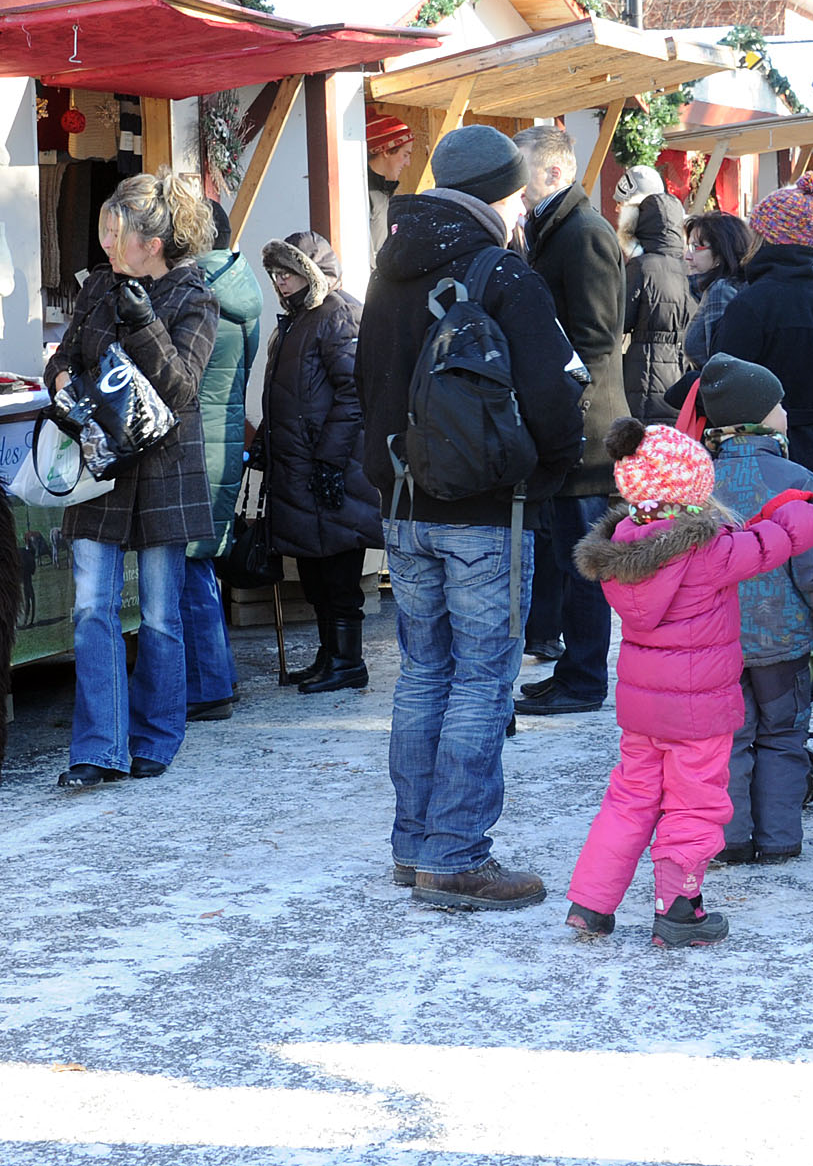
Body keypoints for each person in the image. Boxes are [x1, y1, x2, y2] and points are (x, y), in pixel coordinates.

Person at [358, 124, 586, 909]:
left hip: (402, 504)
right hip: (486, 511)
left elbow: (367, 386)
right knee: (484, 677)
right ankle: (454, 854)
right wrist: (548, 474)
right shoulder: (503, 272)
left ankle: (414, 844)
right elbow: (556, 395)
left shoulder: (387, 272)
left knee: (423, 670)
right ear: (502, 189)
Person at [564, 419, 813, 946]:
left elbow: (745, 532)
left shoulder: (625, 543)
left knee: (629, 799)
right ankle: (680, 910)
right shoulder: (707, 553)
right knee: (693, 805)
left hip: (643, 712)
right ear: (690, 490)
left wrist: (777, 511)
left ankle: (591, 904)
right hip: (698, 712)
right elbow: (773, 542)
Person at [44, 174, 220, 787]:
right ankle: (98, 748)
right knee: (92, 611)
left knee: (160, 615)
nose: (110, 242)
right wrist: (61, 381)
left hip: (163, 474)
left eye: (119, 233)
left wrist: (143, 322)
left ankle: (156, 737)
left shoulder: (195, 297)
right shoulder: (98, 284)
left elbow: (181, 390)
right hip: (100, 470)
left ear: (154, 241)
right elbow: (63, 355)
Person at [692, 355, 813, 865]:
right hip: (783, 643)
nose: (787, 411)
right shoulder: (798, 479)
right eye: (779, 404)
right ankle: (781, 839)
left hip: (715, 642)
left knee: (730, 740)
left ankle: (731, 840)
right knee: (783, 735)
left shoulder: (698, 486)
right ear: (760, 416)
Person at [515, 125, 630, 718]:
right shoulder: (551, 228)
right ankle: (574, 672)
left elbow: (596, 337)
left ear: (554, 173)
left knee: (585, 563)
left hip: (586, 430)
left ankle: (585, 680)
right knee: (568, 559)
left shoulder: (583, 232)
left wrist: (555, 395)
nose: (517, 184)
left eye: (524, 171)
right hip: (568, 423)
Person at [260, 231, 382, 697]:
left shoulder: (337, 315)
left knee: (337, 572)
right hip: (304, 468)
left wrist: (329, 460)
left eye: (288, 273)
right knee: (315, 571)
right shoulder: (299, 319)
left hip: (331, 470)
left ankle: (348, 660)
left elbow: (354, 394)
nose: (279, 282)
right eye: (275, 273)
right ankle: (330, 655)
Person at [711, 173, 813, 478]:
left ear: (766, 237)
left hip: (752, 457)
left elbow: (723, 390)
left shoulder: (750, 305)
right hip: (812, 453)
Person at [183, 199, 263, 721]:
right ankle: (216, 677)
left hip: (195, 442)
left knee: (190, 566)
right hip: (223, 437)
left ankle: (210, 687)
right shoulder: (241, 288)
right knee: (201, 563)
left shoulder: (196, 295)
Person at [621, 193, 696, 421]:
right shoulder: (691, 268)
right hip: (685, 373)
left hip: (644, 371)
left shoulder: (640, 267)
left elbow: (621, 320)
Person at [681, 210, 756, 370]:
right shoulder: (724, 287)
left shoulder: (720, 290)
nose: (687, 256)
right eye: (688, 247)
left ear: (721, 252)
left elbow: (719, 366)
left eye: (696, 247)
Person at [365, 112, 413, 262]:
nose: (408, 163)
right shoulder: (362, 194)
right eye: (405, 155)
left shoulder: (385, 194)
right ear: (386, 151)